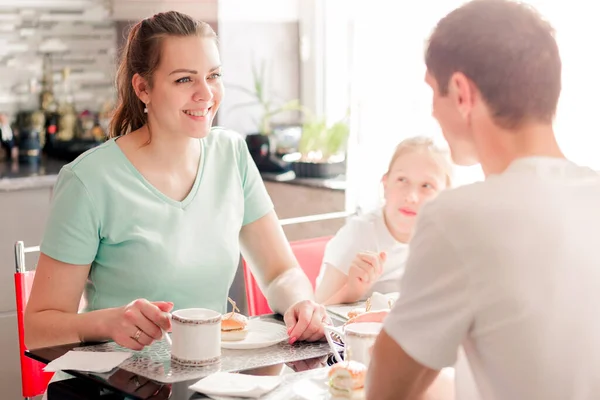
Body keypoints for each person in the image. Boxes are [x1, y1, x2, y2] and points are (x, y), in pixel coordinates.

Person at [24, 11, 327, 353]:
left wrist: (300, 302)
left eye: (213, 75)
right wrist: (108, 322)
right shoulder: (89, 180)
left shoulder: (231, 154)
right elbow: (38, 329)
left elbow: (279, 273)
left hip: (208, 377)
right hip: (113, 383)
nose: (205, 94)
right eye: (184, 80)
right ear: (143, 88)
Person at [365, 1, 600, 399]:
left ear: (461, 93)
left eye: (431, 91)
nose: (432, 112)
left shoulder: (458, 218)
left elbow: (387, 393)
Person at [315, 136, 452, 305]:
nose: (411, 197)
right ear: (385, 185)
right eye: (402, 180)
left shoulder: (444, 238)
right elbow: (317, 310)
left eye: (427, 186)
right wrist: (352, 290)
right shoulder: (359, 235)